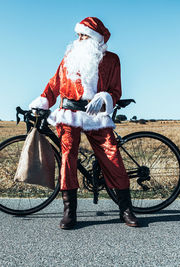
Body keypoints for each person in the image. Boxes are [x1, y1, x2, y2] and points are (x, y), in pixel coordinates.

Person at [29, 17, 138, 229]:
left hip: (96, 116)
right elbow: (54, 85)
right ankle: (70, 211)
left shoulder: (112, 60)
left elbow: (116, 91)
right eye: (78, 35)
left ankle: (125, 209)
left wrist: (105, 97)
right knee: (68, 156)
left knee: (111, 155)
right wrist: (42, 102)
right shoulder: (69, 57)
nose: (79, 39)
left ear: (95, 39)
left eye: (84, 35)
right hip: (69, 113)